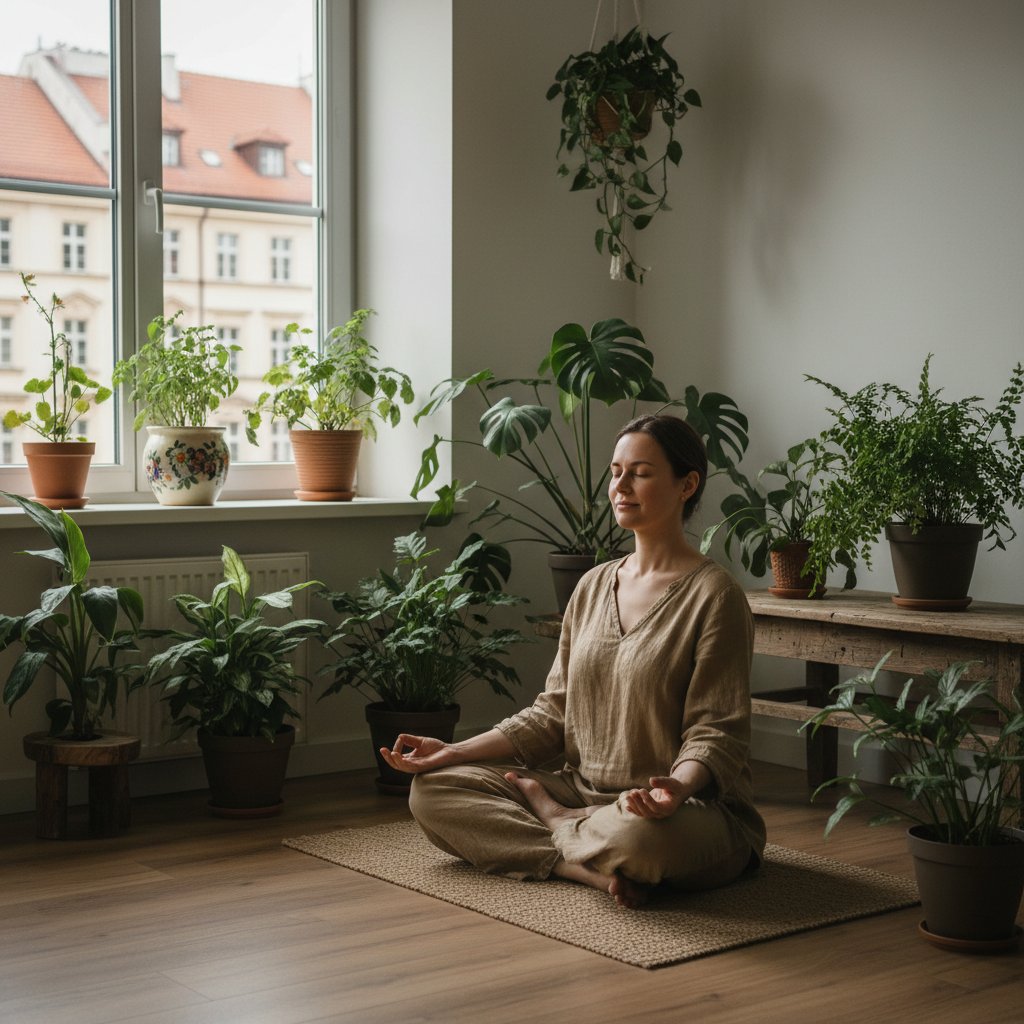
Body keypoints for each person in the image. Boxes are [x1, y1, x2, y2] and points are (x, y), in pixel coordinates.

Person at [380, 413, 766, 908]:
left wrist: (675, 789)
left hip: (681, 809)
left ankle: (560, 826)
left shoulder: (716, 596)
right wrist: (453, 752)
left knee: (642, 841)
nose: (620, 486)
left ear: (686, 484)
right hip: (578, 789)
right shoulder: (591, 586)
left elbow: (717, 733)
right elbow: (552, 714)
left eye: (641, 473)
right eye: (615, 471)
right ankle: (579, 863)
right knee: (432, 791)